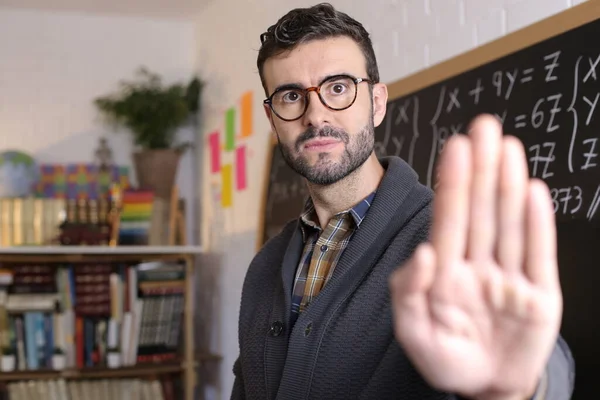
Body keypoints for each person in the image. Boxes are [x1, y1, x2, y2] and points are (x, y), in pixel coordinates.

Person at [232, 3, 575, 399]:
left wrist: (520, 384)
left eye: (338, 88)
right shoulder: (264, 267)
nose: (315, 114)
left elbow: (545, 362)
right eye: (291, 95)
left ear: (377, 103)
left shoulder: (448, 242)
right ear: (273, 119)